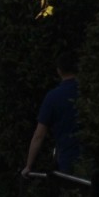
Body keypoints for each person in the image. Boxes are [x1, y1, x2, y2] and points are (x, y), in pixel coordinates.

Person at [21, 49, 80, 177]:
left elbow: (39, 135)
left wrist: (29, 165)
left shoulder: (52, 97)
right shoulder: (87, 91)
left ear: (59, 70)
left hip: (67, 159)